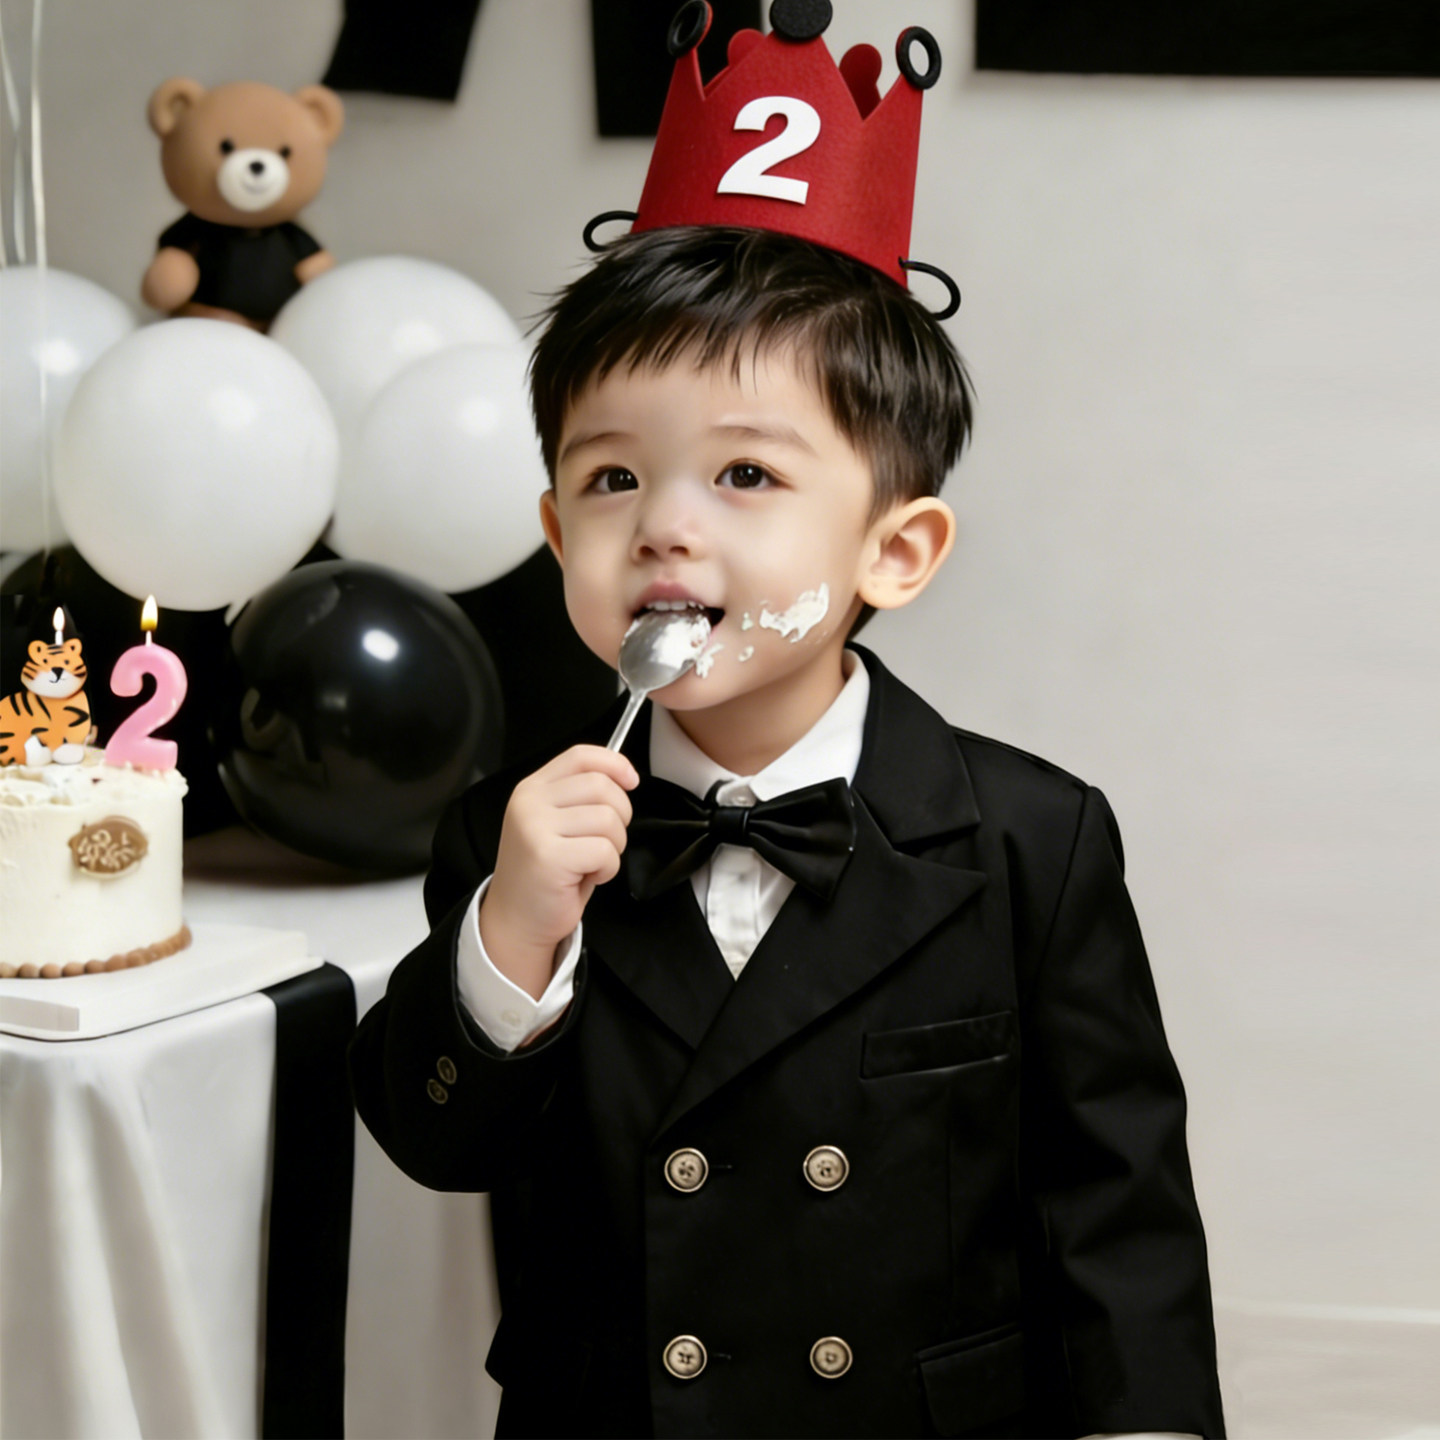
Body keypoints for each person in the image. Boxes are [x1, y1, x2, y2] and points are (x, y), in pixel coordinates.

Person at [349, 6, 1224, 1437]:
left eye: (746, 476)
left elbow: (1115, 1211)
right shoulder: (517, 832)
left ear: (896, 550)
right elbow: (436, 1142)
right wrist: (512, 936)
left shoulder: (1031, 839)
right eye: (613, 480)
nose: (664, 526)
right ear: (554, 533)